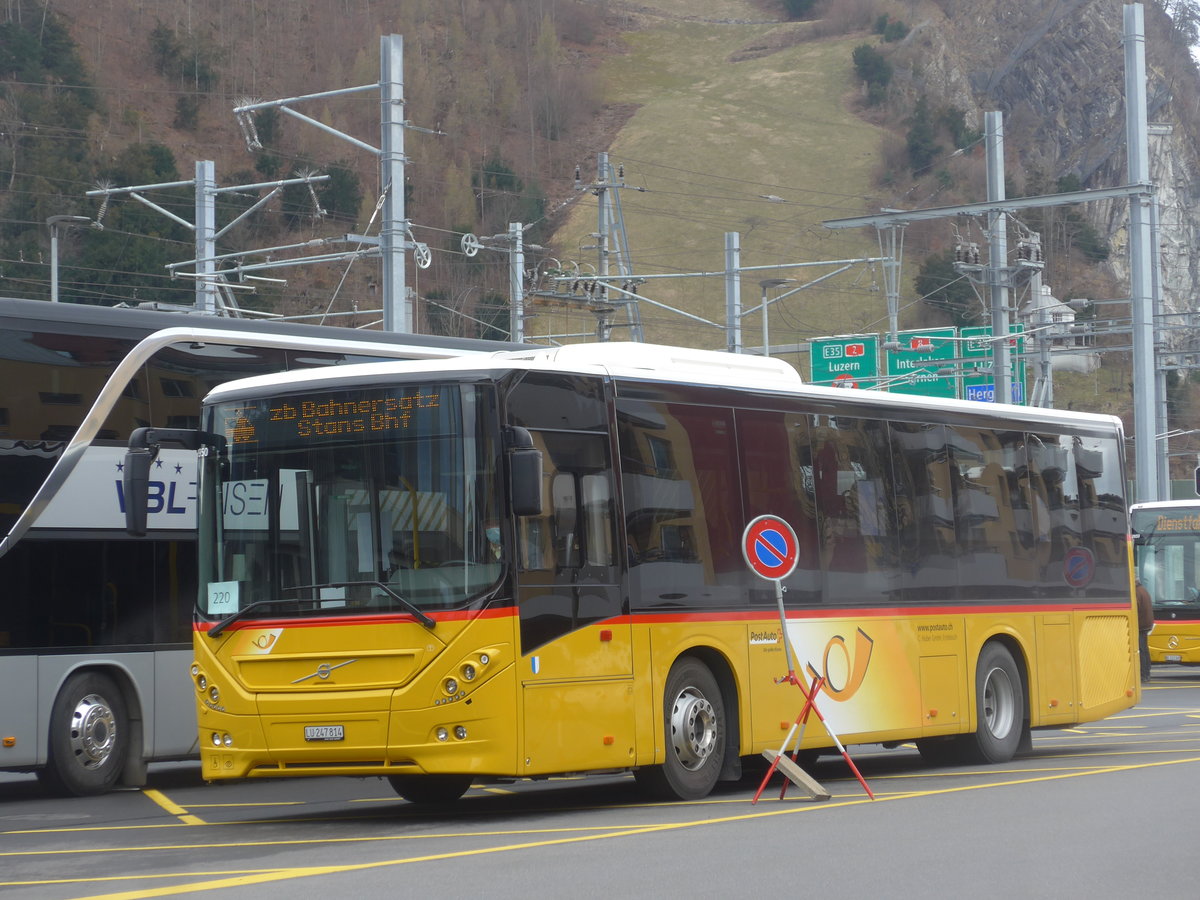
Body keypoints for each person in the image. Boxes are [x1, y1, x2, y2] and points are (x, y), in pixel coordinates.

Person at [1135, 579, 1154, 684]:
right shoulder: (1143, 590)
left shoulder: (1136, 592)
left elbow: (1135, 608)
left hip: (1140, 624)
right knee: (1144, 650)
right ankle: (1147, 672)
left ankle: (1144, 674)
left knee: (1141, 650)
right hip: (1146, 624)